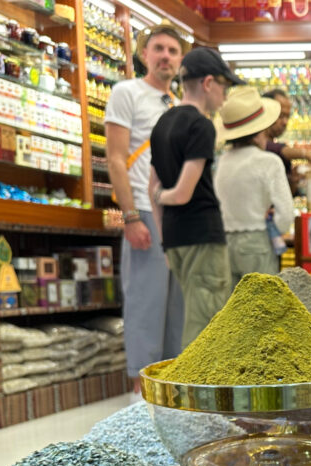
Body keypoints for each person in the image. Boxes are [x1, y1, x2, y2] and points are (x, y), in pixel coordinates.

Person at [105, 22, 188, 386]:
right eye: (159, 49)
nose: (165, 56)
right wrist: (131, 216)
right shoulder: (127, 93)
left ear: (181, 59)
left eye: (172, 50)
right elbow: (115, 158)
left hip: (178, 216)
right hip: (144, 210)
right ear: (144, 54)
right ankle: (141, 389)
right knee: (146, 304)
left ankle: (171, 386)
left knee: (178, 310)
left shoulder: (181, 104)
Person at [148, 47, 242, 347]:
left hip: (175, 238)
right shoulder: (201, 125)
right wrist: (166, 195)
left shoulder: (163, 123)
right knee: (209, 328)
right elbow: (181, 192)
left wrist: (164, 238)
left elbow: (153, 187)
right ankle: (201, 392)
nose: (224, 97)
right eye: (224, 88)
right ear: (208, 83)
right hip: (203, 236)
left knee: (193, 316)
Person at [214, 87, 296, 283]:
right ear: (262, 130)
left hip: (226, 243)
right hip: (257, 243)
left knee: (233, 309)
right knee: (261, 307)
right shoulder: (268, 161)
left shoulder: (222, 162)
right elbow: (286, 215)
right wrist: (273, 228)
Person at [262, 89, 311, 194]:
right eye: (281, 116)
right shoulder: (259, 144)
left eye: (287, 117)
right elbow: (275, 148)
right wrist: (308, 155)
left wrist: (292, 182)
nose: (285, 122)